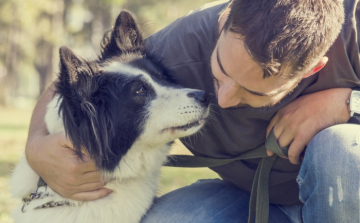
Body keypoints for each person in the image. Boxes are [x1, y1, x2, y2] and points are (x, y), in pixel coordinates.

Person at [25, 0, 360, 222]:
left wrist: (346, 103)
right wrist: (35, 145)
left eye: (251, 91)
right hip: (246, 200)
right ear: (225, 20)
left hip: (347, 198)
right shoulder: (181, 44)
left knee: (340, 150)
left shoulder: (354, 30)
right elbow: (85, 79)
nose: (224, 99)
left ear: (312, 69)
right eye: (220, 73)